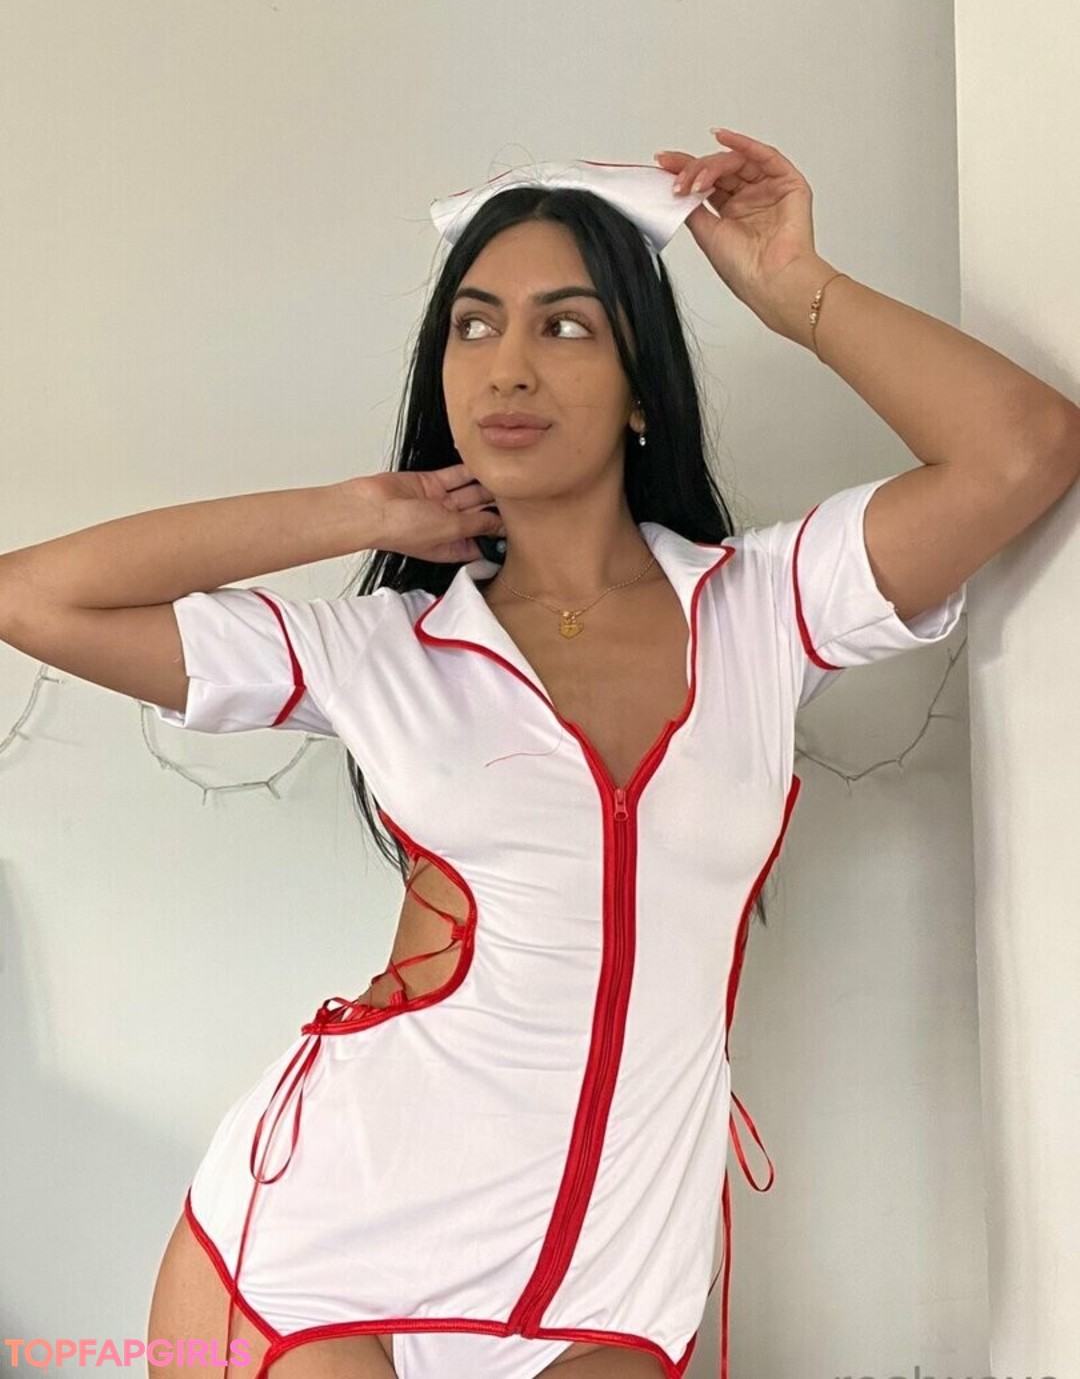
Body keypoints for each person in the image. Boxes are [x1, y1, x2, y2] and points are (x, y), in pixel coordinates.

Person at [1, 132, 1075, 1379]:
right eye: (474, 326)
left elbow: (1023, 447)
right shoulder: (385, 650)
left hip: (610, 1278)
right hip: (327, 1249)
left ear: (641, 389)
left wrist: (795, 290)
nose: (508, 364)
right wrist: (360, 511)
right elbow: (33, 597)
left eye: (565, 326)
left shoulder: (766, 604)